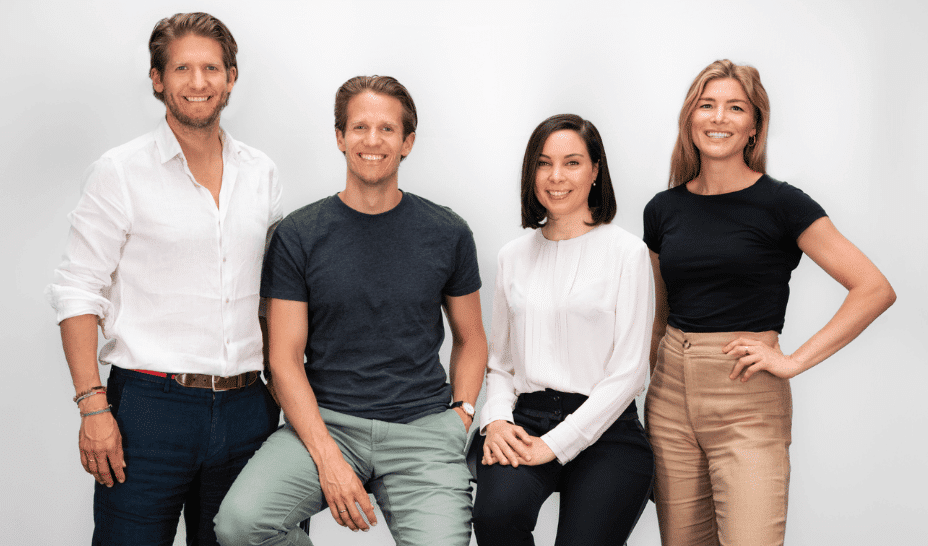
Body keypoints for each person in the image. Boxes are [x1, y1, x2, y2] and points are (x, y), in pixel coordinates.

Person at [214, 75, 487, 546]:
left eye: (387, 129)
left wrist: (461, 414)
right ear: (340, 137)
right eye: (360, 127)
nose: (372, 140)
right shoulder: (300, 234)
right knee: (241, 526)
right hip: (327, 424)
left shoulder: (448, 232)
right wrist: (327, 457)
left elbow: (472, 337)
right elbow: (283, 358)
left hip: (422, 430)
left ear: (407, 142)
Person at [45, 12, 282, 546]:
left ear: (231, 77)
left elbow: (274, 294)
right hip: (150, 409)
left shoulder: (261, 173)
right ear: (157, 79)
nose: (198, 82)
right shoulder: (120, 171)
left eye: (211, 68)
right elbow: (78, 290)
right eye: (181, 69)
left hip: (249, 407)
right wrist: (92, 406)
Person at [643, 59, 896, 546]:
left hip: (746, 396)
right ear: (690, 118)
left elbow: (873, 288)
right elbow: (660, 316)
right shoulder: (662, 209)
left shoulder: (782, 204)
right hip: (669, 397)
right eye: (707, 105)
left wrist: (793, 360)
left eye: (735, 108)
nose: (719, 117)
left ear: (754, 126)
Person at [472, 114, 655, 546]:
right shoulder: (513, 256)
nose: (556, 176)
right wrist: (496, 420)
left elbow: (630, 373)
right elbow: (501, 364)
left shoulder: (628, 253)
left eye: (572, 163)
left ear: (595, 171)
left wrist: (555, 444)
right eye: (543, 163)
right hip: (525, 419)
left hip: (607, 426)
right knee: (495, 517)